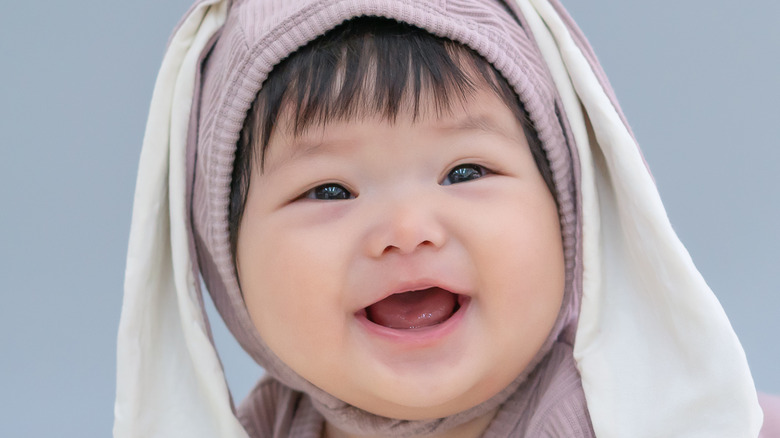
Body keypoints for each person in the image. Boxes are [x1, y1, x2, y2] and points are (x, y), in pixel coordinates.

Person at [114, 0, 778, 437]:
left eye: (465, 173)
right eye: (328, 190)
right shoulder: (266, 426)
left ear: (571, 210)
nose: (408, 229)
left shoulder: (632, 417)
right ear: (221, 256)